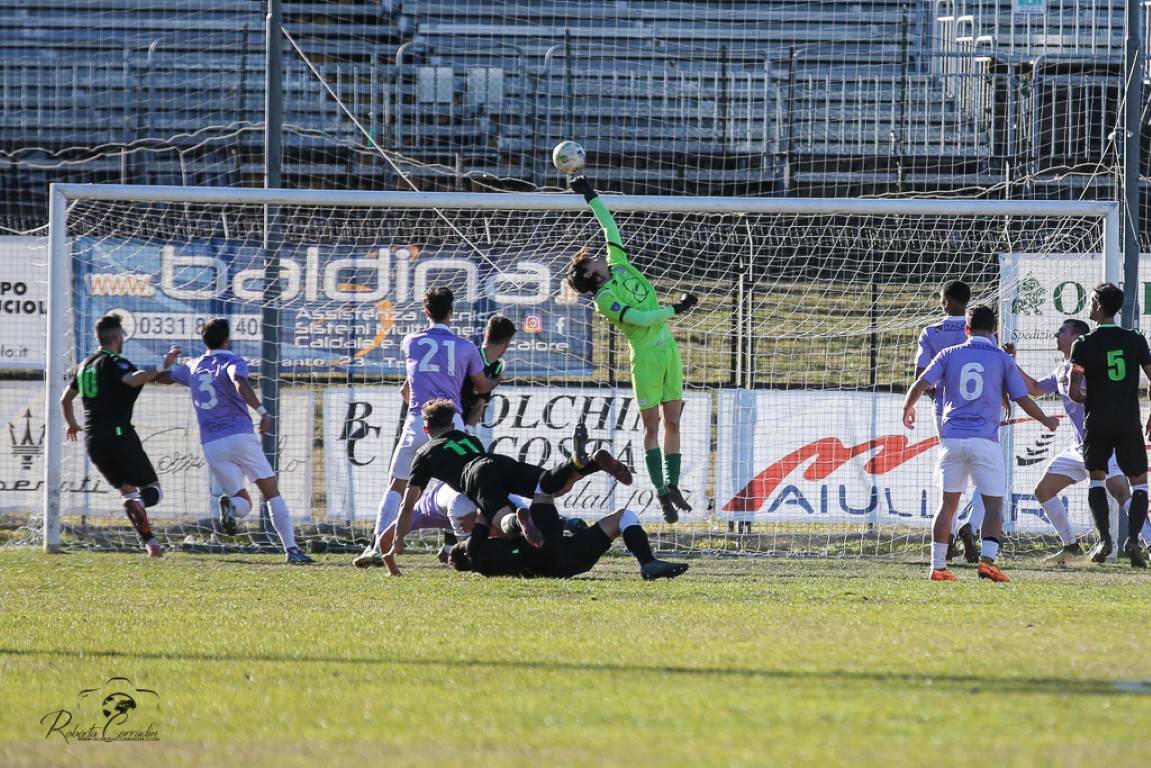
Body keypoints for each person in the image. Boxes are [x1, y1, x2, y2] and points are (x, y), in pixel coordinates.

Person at [564, 175, 698, 523]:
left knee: (673, 423)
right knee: (651, 428)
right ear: (592, 276)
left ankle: (673, 484)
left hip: (668, 350)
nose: (595, 256)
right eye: (590, 261)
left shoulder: (618, 263)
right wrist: (676, 310)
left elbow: (609, 225)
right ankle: (660, 491)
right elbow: (638, 318)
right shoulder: (605, 300)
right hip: (647, 360)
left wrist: (590, 195)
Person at [377, 398, 633, 575]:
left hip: (475, 476)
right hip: (497, 460)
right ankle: (586, 465)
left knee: (501, 518)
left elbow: (408, 503)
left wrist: (398, 540)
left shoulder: (424, 452)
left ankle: (518, 521)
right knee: (552, 486)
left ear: (426, 428)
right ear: (453, 424)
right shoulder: (470, 438)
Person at [903, 305, 1059, 582]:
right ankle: (988, 561)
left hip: (952, 439)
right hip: (984, 440)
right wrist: (1045, 419)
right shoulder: (1001, 357)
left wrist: (908, 408)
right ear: (995, 330)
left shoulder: (949, 354)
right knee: (993, 505)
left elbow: (920, 383)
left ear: (966, 329)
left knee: (947, 505)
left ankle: (938, 567)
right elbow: (1023, 397)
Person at [355, 287, 501, 566]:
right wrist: (496, 380)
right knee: (464, 484)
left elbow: (405, 392)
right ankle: (466, 546)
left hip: (418, 422)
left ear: (426, 312)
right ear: (452, 311)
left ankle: (375, 547)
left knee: (396, 486)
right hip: (451, 424)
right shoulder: (466, 347)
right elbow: (482, 386)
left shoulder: (411, 341)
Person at [168, 318, 313, 564]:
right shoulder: (232, 361)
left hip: (212, 444)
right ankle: (292, 550)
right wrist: (263, 412)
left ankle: (231, 507)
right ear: (227, 340)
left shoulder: (193, 365)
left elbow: (164, 376)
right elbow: (239, 381)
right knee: (271, 492)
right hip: (239, 436)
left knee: (242, 501)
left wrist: (168, 360)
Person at [1012, 318, 1133, 564]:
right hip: (1079, 448)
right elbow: (1034, 388)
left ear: (1075, 338)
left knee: (1121, 493)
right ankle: (1071, 545)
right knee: (1043, 491)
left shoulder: (1091, 364)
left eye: (1062, 331)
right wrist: (1010, 363)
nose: (1057, 334)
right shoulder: (1062, 368)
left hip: (1103, 443)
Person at [60, 313, 180, 558]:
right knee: (152, 491)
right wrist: (162, 364)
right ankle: (141, 510)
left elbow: (65, 399)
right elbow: (133, 379)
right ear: (116, 338)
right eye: (122, 336)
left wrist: (72, 424)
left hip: (93, 441)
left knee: (128, 492)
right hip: (119, 435)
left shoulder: (84, 365)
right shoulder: (115, 362)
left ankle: (151, 544)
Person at [1068, 283, 1151, 567]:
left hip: (1098, 422)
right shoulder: (1136, 339)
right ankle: (1133, 541)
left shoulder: (1083, 344)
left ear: (1100, 306)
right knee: (1140, 484)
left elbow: (1073, 392)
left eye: (1091, 302)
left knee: (1097, 479)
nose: (1089, 306)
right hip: (1129, 421)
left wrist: (1097, 397)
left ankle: (1104, 540)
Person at [913, 279, 988, 562]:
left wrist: (938, 396)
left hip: (945, 412)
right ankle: (973, 525)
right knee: (988, 473)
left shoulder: (931, 332)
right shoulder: (981, 333)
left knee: (952, 476)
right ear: (967, 303)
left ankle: (952, 533)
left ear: (944, 302)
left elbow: (921, 375)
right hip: (982, 411)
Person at [449, 499, 688, 581]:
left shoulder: (489, 565)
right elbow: (486, 511)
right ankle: (647, 562)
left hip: (567, 566)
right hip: (568, 553)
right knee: (624, 517)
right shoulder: (478, 548)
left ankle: (649, 564)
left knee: (620, 518)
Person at [461, 314, 517, 430]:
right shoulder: (468, 356)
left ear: (485, 333)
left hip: (460, 425)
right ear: (507, 343)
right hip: (445, 421)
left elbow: (479, 404)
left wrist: (467, 430)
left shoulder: (496, 367)